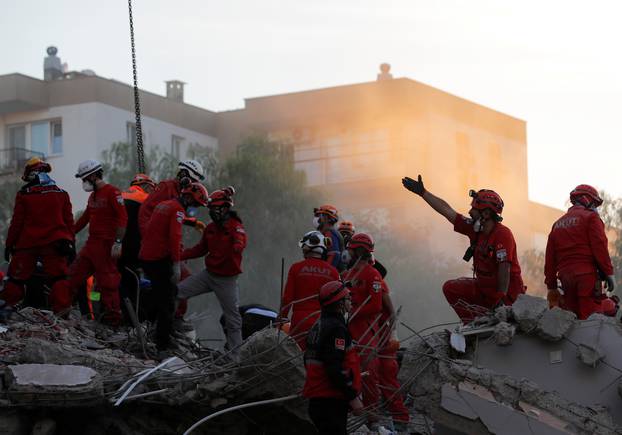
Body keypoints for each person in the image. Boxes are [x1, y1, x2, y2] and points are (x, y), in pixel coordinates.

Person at [402, 175, 525, 322]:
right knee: (450, 288)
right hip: (485, 291)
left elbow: (504, 269)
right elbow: (447, 211)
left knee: (502, 312)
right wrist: (423, 193)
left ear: (486, 213)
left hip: (507, 297)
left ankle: (489, 320)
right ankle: (474, 323)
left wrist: (500, 300)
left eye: (474, 208)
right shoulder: (475, 229)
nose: (469, 211)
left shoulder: (503, 234)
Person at [51, 160, 127, 324]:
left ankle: (113, 322)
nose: (83, 183)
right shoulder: (93, 196)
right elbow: (84, 219)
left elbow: (123, 219)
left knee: (108, 283)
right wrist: (66, 234)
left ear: (93, 175)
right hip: (92, 245)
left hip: (106, 246)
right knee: (73, 275)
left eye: (84, 179)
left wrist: (118, 242)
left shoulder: (113, 192)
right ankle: (62, 311)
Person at [177, 186, 247, 360]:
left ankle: (236, 357)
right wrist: (180, 255)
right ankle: (169, 328)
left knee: (233, 320)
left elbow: (240, 240)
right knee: (176, 292)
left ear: (225, 208)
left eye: (216, 209)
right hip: (208, 275)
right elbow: (200, 249)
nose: (213, 212)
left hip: (227, 281)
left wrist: (237, 246)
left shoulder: (235, 227)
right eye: (211, 209)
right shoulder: (210, 229)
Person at [139, 182, 208, 352]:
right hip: (158, 260)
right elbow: (174, 236)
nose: (195, 208)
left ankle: (149, 330)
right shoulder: (177, 209)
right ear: (189, 197)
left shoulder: (165, 204)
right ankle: (162, 344)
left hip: (147, 258)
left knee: (159, 295)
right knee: (168, 302)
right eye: (196, 204)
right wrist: (177, 264)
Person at [2, 158, 74, 309]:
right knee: (59, 278)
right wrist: (71, 243)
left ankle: (7, 310)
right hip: (55, 243)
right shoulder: (62, 194)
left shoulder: (24, 195)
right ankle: (63, 312)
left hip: (27, 244)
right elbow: (69, 222)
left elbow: (16, 223)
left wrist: (9, 245)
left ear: (32, 174)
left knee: (16, 279)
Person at [544, 185, 615, 320]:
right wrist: (609, 273)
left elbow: (550, 259)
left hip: (565, 277)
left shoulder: (557, 224)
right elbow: (600, 248)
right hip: (587, 276)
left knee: (572, 317)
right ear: (587, 200)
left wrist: (551, 286)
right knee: (590, 318)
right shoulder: (591, 218)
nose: (595, 207)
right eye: (594, 203)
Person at [303, 280, 363, 435]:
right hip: (330, 401)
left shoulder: (319, 325)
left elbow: (308, 359)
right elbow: (334, 368)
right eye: (348, 298)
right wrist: (352, 397)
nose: (351, 301)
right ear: (339, 303)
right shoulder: (336, 329)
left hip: (319, 399)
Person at [342, 233, 384, 425]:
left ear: (359, 251)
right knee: (348, 372)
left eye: (351, 249)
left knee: (369, 374)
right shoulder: (346, 275)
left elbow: (376, 306)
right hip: (348, 330)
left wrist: (353, 313)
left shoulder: (372, 274)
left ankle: (373, 419)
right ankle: (352, 414)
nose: (348, 252)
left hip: (366, 332)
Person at [280, 231, 340, 350]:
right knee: (319, 356)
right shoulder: (333, 272)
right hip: (323, 321)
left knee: (297, 356)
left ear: (307, 247)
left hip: (300, 321)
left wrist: (281, 318)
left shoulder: (296, 268)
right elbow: (338, 302)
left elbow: (287, 298)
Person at [119, 174, 156, 316]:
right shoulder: (146, 198)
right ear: (146, 186)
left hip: (117, 246)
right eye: (152, 188)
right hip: (134, 248)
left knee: (119, 281)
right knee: (137, 283)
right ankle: (138, 317)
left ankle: (117, 312)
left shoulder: (121, 195)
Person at [138, 160, 205, 235]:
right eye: (191, 181)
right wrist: (147, 233)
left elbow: (175, 215)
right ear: (183, 175)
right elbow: (146, 209)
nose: (191, 185)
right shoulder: (166, 187)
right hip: (152, 233)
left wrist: (193, 222)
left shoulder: (180, 192)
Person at [314, 205, 344, 270]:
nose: (317, 219)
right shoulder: (328, 233)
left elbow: (333, 254)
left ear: (326, 218)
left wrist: (325, 272)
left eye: (319, 215)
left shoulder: (328, 234)